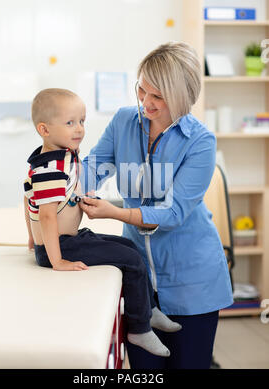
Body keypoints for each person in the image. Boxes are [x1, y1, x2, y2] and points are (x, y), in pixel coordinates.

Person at [79, 42, 234, 369]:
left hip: (192, 281)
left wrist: (115, 212)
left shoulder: (200, 142)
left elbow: (172, 213)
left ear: (182, 96)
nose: (145, 102)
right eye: (141, 89)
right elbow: (95, 165)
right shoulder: (124, 121)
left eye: (158, 97)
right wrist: (67, 186)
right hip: (140, 281)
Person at [23, 88, 182, 358]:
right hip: (62, 248)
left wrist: (32, 236)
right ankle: (140, 329)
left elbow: (27, 200)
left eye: (82, 121)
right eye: (70, 122)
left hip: (70, 240)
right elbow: (47, 215)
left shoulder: (61, 156)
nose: (80, 129)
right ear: (44, 129)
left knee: (131, 249)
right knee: (130, 260)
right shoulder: (49, 168)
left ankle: (150, 309)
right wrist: (56, 259)